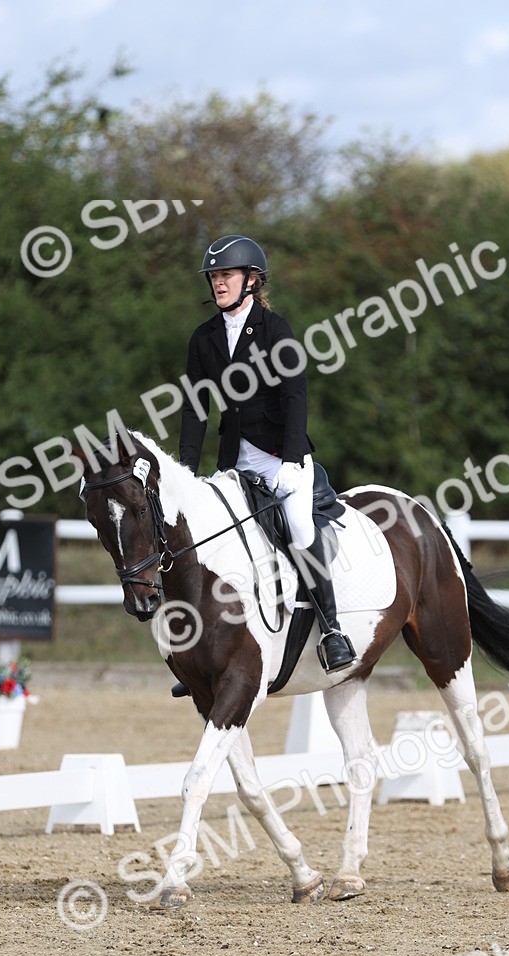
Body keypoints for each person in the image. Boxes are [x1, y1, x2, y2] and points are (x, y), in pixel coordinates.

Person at [177, 233, 356, 677]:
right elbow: (196, 407)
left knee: (297, 525)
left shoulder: (276, 330)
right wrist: (184, 473)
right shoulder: (204, 338)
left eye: (226, 275)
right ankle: (206, 652)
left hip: (281, 456)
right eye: (214, 277)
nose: (218, 283)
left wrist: (293, 461)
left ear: (251, 280)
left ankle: (333, 631)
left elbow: (296, 396)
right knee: (213, 542)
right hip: (235, 459)